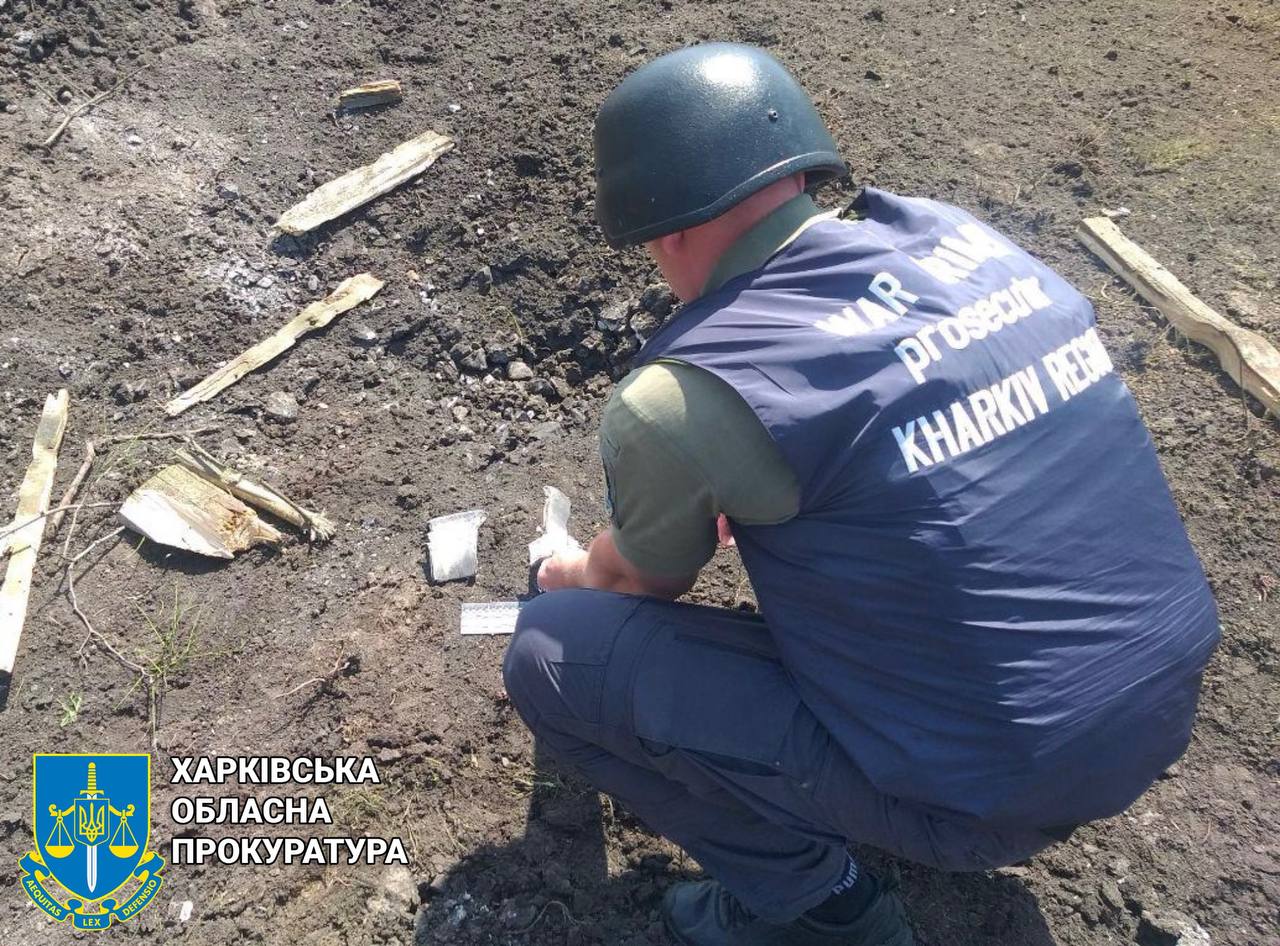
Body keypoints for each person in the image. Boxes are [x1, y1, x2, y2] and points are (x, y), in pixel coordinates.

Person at [502, 42, 1220, 946]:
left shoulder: (679, 398)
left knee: (553, 653)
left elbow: (629, 585)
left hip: (987, 796)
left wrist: (561, 571)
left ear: (666, 229)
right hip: (1157, 711)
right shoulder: (966, 246)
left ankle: (821, 907)